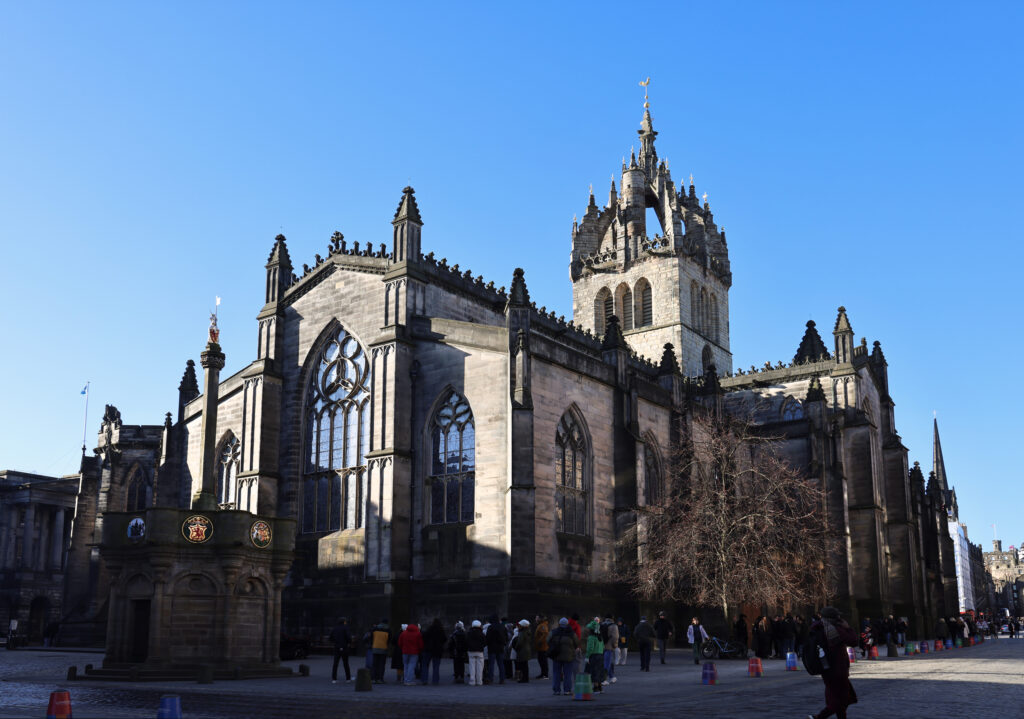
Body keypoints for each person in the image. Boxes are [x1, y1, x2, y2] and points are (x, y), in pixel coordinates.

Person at [807, 606, 859, 719]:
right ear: (835, 617)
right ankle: (817, 717)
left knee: (835, 697)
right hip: (838, 668)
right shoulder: (835, 629)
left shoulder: (818, 628)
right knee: (843, 699)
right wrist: (848, 628)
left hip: (826, 667)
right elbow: (853, 641)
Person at [547, 617, 579, 696]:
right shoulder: (572, 633)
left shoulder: (554, 632)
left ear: (559, 624)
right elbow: (576, 643)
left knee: (556, 673)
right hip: (569, 656)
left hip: (556, 655)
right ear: (567, 624)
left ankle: (556, 690)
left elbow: (547, 640)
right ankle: (567, 690)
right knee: (567, 674)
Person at [421, 618, 446, 685]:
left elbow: (424, 637)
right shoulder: (441, 630)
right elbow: (444, 639)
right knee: (436, 666)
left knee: (425, 665)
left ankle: (424, 680)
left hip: (428, 649)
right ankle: (435, 681)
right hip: (437, 650)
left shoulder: (429, 629)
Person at [329, 616, 353, 683]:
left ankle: (334, 679)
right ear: (344, 622)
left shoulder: (335, 628)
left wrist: (335, 642)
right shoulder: (346, 628)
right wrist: (349, 642)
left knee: (335, 663)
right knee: (346, 663)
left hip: (337, 647)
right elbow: (349, 637)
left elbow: (330, 638)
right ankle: (348, 678)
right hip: (344, 647)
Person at [584, 617, 605, 692]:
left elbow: (590, 648)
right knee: (599, 671)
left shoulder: (591, 637)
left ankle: (595, 687)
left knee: (594, 672)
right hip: (600, 655)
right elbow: (603, 647)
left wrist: (587, 657)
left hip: (593, 656)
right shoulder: (600, 637)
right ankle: (600, 687)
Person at [485, 615, 508, 684]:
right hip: (500, 648)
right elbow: (506, 637)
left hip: (492, 648)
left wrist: (488, 644)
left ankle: (490, 679)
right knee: (501, 664)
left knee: (491, 664)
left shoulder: (490, 627)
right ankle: (502, 679)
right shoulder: (502, 627)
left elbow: (487, 638)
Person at [466, 620, 486, 686]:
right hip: (480, 651)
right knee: (480, 668)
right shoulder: (482, 633)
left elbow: (466, 642)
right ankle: (479, 681)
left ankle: (472, 681)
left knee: (472, 667)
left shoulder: (469, 633)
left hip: (471, 651)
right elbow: (485, 642)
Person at [599, 614, 618, 684]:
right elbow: (615, 637)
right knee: (607, 663)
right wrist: (615, 645)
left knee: (607, 662)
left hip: (601, 646)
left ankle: (612, 677)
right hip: (609, 646)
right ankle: (603, 679)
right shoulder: (613, 626)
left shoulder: (601, 624)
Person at [371, 619, 391, 684]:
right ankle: (380, 678)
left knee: (374, 664)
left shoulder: (375, 628)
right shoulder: (388, 630)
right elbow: (389, 640)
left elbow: (371, 638)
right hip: (383, 648)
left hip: (375, 647)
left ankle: (374, 678)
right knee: (382, 664)